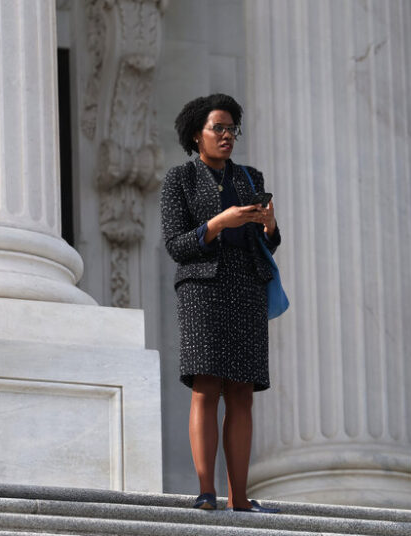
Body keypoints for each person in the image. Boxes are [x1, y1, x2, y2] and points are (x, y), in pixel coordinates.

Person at [160, 93, 281, 513]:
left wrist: (269, 227)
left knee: (242, 392)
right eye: (219, 128)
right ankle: (206, 491)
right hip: (202, 291)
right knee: (206, 387)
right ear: (198, 134)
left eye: (232, 129)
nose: (227, 136)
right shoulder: (180, 179)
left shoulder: (249, 177)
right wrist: (216, 224)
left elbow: (267, 245)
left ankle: (240, 496)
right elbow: (176, 245)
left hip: (246, 288)